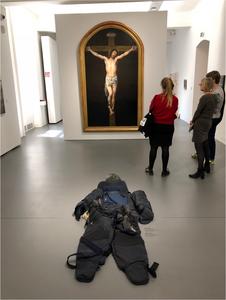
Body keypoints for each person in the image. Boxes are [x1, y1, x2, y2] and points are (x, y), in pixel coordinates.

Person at [87, 46, 137, 115]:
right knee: (110, 94)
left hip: (114, 78)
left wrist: (131, 49)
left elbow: (124, 54)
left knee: (113, 95)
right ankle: (109, 108)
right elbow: (97, 55)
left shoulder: (116, 59)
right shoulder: (105, 59)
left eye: (115, 53)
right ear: (111, 53)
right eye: (113, 52)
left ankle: (112, 108)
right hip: (108, 78)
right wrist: (90, 50)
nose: (114, 54)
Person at [145, 77, 178, 177]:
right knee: (165, 148)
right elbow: (174, 111)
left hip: (156, 126)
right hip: (168, 127)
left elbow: (151, 109)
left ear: (162, 86)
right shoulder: (175, 99)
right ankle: (164, 171)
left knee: (153, 148)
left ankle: (150, 169)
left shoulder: (156, 98)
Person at [191, 70, 225, 163]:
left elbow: (209, 108)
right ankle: (203, 154)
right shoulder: (215, 90)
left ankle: (210, 158)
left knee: (209, 137)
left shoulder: (217, 92)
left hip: (213, 118)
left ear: (213, 80)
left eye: (208, 79)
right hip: (212, 117)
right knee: (206, 136)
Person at [189, 77, 217, 179]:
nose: (200, 85)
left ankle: (200, 170)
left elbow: (198, 111)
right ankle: (207, 166)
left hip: (201, 123)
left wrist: (192, 121)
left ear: (205, 85)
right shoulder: (214, 97)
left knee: (198, 147)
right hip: (209, 122)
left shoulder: (204, 98)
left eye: (201, 83)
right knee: (205, 143)